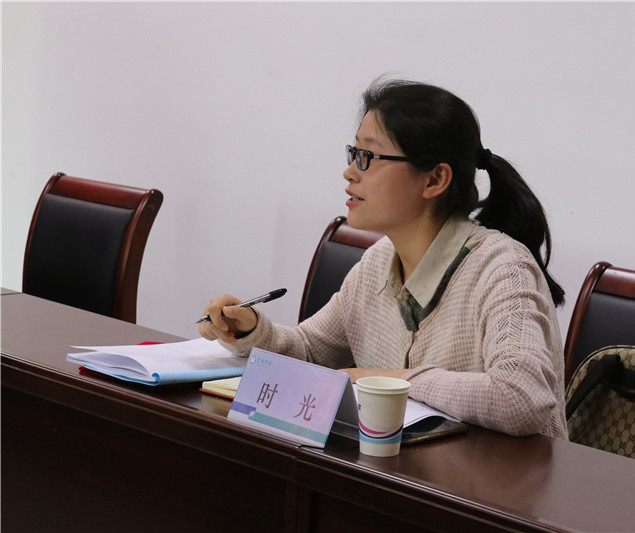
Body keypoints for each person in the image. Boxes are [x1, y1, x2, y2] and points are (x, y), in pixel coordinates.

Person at [200, 78, 567, 438]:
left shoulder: (503, 269)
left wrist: (392, 380)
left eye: (367, 158)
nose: (349, 172)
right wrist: (249, 329)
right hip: (406, 470)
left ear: (434, 179)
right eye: (353, 154)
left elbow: (521, 398)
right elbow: (311, 351)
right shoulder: (379, 262)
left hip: (505, 478)